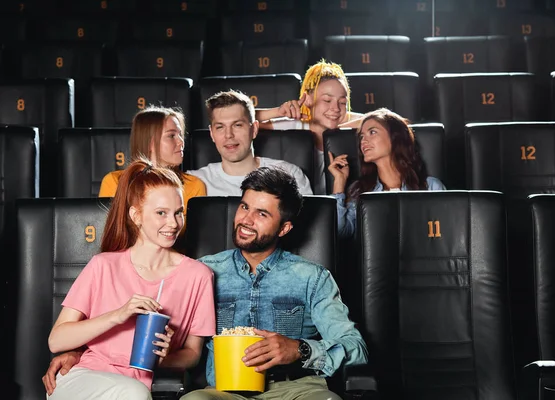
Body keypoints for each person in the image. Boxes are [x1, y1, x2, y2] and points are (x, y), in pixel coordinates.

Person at [44, 167, 367, 400]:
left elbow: (356, 347)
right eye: (244, 207)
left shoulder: (312, 277)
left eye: (261, 215)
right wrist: (78, 351)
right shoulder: (204, 270)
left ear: (284, 229)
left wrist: (298, 349)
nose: (245, 220)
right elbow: (134, 317)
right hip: (222, 393)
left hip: (295, 389)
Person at [44, 159, 216, 399]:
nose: (173, 223)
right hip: (82, 378)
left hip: (137, 387)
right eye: (161, 213)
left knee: (134, 392)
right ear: (136, 216)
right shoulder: (103, 265)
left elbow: (193, 353)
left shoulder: (199, 276)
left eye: (179, 213)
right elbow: (56, 340)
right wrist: (119, 314)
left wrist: (165, 358)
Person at [329, 108, 447, 238]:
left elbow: (444, 237)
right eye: (361, 136)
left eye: (372, 132)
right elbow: (340, 231)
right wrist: (339, 182)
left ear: (394, 137)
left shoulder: (432, 187)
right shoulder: (359, 191)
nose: (363, 141)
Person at [255, 59, 364, 195]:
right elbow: (237, 119)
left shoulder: (350, 127)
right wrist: (277, 111)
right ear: (307, 99)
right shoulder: (292, 125)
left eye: (342, 102)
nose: (335, 108)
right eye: (327, 100)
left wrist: (357, 119)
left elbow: (392, 120)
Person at [186, 90, 313, 196]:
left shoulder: (289, 175)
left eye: (237, 125)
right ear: (212, 133)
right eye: (220, 127)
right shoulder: (194, 181)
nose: (229, 135)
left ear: (254, 129)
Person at [99, 105, 206, 211]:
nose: (181, 142)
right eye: (171, 136)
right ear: (150, 142)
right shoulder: (115, 182)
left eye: (180, 135)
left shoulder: (195, 185)